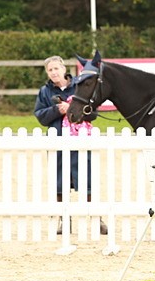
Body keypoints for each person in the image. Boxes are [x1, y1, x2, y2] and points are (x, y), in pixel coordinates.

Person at [33, 55, 104, 234]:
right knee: (60, 183)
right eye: (50, 70)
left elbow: (93, 113)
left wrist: (73, 109)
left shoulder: (79, 86)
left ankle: (96, 218)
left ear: (64, 69)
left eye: (56, 68)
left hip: (81, 142)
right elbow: (40, 116)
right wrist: (57, 109)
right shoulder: (45, 92)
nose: (54, 72)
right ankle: (64, 220)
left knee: (87, 181)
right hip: (58, 143)